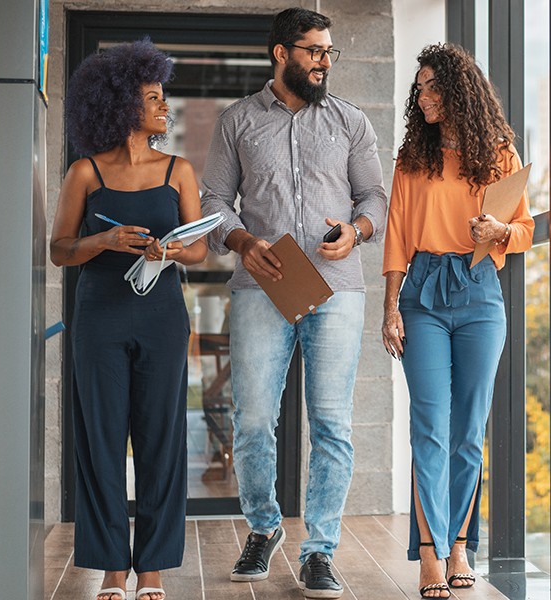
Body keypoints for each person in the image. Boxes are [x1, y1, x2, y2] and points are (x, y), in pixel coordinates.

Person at [200, 7, 387, 599]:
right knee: (253, 420)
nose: (324, 62)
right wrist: (242, 241)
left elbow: (375, 199)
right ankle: (263, 527)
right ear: (281, 53)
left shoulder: (352, 122)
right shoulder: (237, 121)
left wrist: (354, 232)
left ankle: (320, 549)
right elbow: (214, 204)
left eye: (330, 52)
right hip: (262, 287)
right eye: (314, 51)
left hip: (336, 290)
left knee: (331, 424)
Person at [50, 40, 207, 600]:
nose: (164, 106)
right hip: (99, 318)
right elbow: (60, 250)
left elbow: (200, 251)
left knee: (162, 438)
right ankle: (113, 568)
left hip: (162, 316)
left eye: (163, 96)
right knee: (101, 440)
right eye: (153, 97)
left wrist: (171, 252)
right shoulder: (84, 173)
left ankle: (154, 569)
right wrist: (105, 239)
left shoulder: (179, 170)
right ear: (120, 106)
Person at [381, 43, 535, 599]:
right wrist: (390, 305)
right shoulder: (411, 159)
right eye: (417, 89)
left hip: (477, 293)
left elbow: (524, 230)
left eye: (432, 87)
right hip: (421, 290)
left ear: (459, 91)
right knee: (430, 424)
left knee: (469, 430)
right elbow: (397, 234)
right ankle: (430, 554)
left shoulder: (498, 155)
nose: (421, 97)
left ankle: (461, 543)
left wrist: (497, 233)